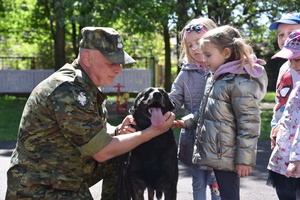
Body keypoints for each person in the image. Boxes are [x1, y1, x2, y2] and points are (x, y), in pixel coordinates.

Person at [5, 27, 175, 200]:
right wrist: (151, 132)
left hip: (63, 175)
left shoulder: (87, 88)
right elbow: (101, 152)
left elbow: (94, 131)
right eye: (111, 63)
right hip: (38, 186)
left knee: (121, 153)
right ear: (87, 58)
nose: (119, 70)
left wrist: (117, 131)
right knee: (112, 151)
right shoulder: (68, 89)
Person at [173, 25, 268, 200]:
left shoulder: (239, 82)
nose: (204, 60)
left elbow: (249, 122)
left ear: (226, 53)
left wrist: (244, 160)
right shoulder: (215, 77)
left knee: (230, 196)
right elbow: (207, 110)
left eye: (208, 55)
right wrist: (188, 122)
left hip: (229, 156)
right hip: (219, 153)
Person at [169, 17, 220, 200]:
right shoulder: (186, 73)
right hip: (195, 140)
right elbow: (174, 99)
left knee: (218, 186)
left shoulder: (222, 69)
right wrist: (162, 111)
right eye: (190, 45)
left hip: (219, 141)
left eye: (199, 42)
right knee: (198, 184)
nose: (195, 48)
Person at [267, 29, 300, 200]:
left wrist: (296, 158)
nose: (293, 65)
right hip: (285, 151)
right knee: (284, 193)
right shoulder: (296, 82)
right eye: (290, 60)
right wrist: (276, 127)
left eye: (298, 59)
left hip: (295, 157)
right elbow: (285, 109)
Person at [269, 12, 300, 149]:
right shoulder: (284, 68)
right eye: (281, 34)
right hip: (283, 135)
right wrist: (275, 126)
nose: (285, 39)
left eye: (291, 33)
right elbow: (279, 101)